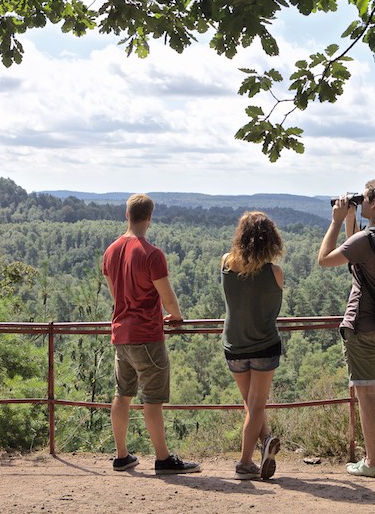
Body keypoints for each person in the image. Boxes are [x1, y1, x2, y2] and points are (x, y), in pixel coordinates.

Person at [102, 193, 201, 476]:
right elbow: (167, 298)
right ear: (149, 218)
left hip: (120, 334)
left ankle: (122, 456)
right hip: (147, 333)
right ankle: (163, 459)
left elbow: (115, 294)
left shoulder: (110, 251)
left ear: (127, 215)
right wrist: (177, 316)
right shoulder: (152, 254)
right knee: (152, 399)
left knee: (123, 395)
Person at [317, 179, 375, 478]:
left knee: (367, 394)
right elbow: (358, 251)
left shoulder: (365, 239)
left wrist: (336, 222)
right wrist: (352, 221)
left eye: (364, 198)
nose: (362, 200)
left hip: (362, 325)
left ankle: (372, 463)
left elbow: (325, 260)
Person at [221, 211, 285, 480]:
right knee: (256, 405)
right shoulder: (275, 273)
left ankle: (267, 440)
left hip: (234, 344)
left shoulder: (225, 263)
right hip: (264, 345)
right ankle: (245, 463)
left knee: (250, 403)